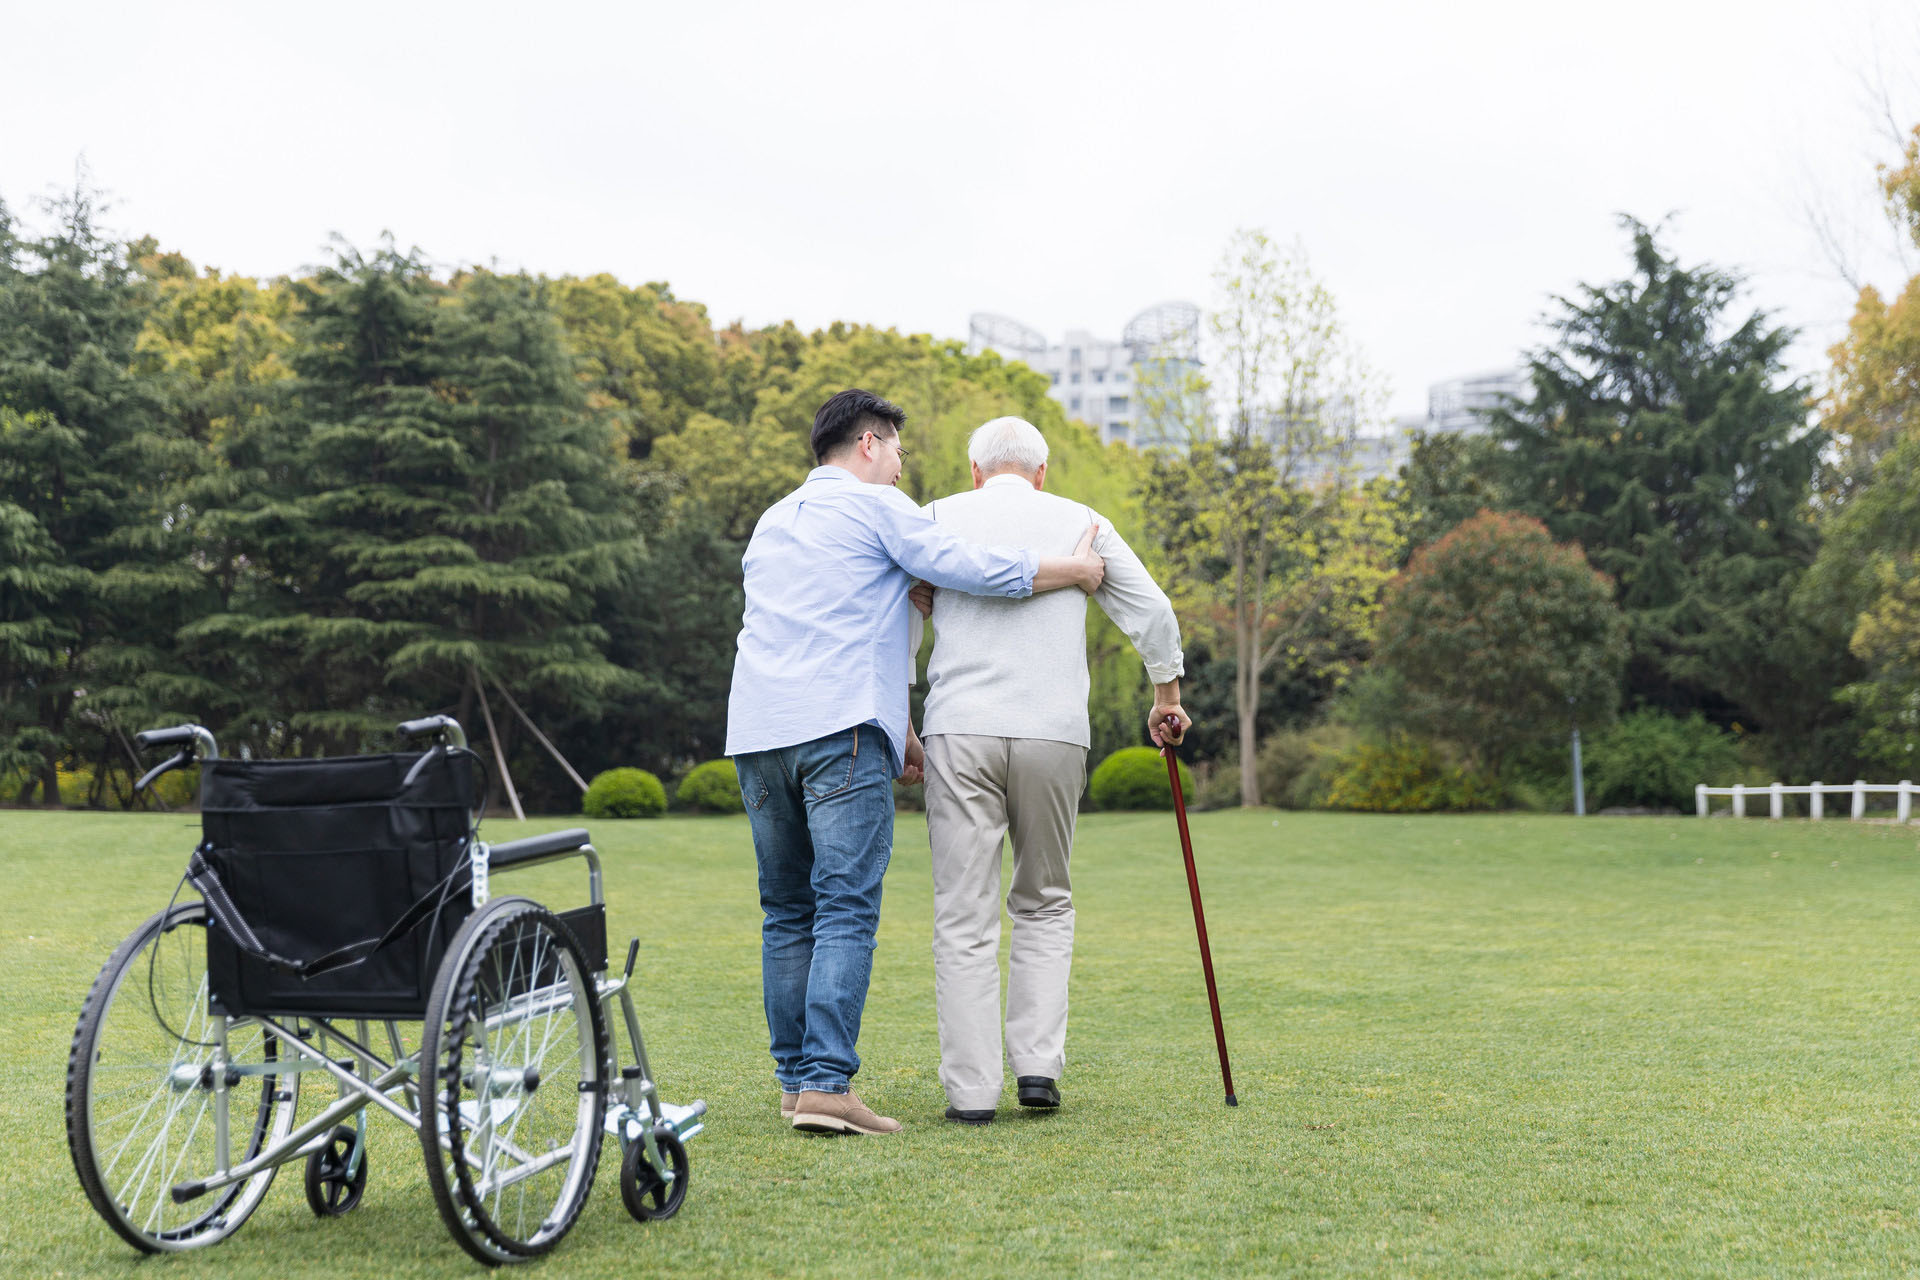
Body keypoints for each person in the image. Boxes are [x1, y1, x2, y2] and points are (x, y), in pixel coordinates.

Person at [726, 389, 1108, 1136]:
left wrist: (901, 724)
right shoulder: (879, 510)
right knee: (843, 907)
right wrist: (1074, 572)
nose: (903, 469)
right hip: (838, 732)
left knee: (786, 912)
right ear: (868, 444)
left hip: (758, 734)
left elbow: (838, 617)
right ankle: (829, 1087)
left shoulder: (773, 523)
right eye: (898, 451)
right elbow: (974, 567)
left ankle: (796, 1084)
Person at [910, 415, 1190, 1125]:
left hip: (960, 729)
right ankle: (1037, 1068)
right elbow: (1152, 610)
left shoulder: (937, 516)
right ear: (1042, 472)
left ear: (976, 471)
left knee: (963, 913)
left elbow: (899, 621)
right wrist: (1167, 695)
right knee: (1044, 898)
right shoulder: (1080, 521)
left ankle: (971, 1093)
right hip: (1054, 733)